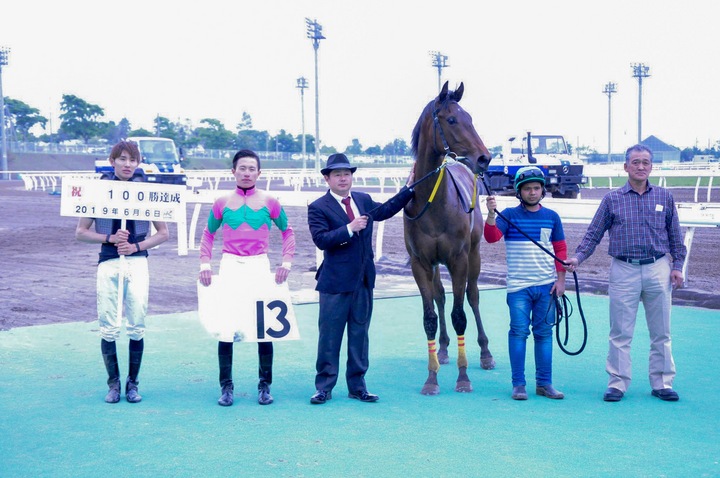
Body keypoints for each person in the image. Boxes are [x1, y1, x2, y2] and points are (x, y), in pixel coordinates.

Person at [565, 144, 686, 402]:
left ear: (651, 167)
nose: (641, 167)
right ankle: (617, 383)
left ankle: (662, 382)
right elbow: (593, 234)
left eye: (645, 162)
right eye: (636, 162)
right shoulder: (612, 199)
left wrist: (677, 266)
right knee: (620, 332)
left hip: (658, 268)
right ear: (626, 167)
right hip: (623, 269)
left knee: (662, 332)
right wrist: (577, 258)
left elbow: (676, 235)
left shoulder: (664, 197)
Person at [307, 153, 414, 404]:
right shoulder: (318, 207)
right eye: (337, 174)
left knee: (359, 335)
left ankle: (357, 386)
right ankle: (324, 387)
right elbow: (321, 240)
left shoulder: (363, 199)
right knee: (330, 337)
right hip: (335, 283)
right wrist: (349, 228)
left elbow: (386, 210)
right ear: (327, 179)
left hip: (363, 281)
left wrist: (408, 188)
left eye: (347, 174)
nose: (343, 178)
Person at [199, 149, 295, 407]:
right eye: (242, 168)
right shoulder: (221, 202)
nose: (246, 173)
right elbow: (208, 234)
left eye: (252, 169)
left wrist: (286, 262)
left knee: (264, 329)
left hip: (259, 266)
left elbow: (287, 231)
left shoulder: (270, 201)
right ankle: (226, 387)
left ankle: (264, 386)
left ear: (259, 173)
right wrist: (205, 264)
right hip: (230, 265)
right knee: (226, 327)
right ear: (233, 171)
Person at [76, 140, 170, 404]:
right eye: (122, 159)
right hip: (109, 262)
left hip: (137, 263)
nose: (128, 164)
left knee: (137, 323)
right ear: (113, 161)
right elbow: (81, 232)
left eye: (132, 160)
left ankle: (133, 383)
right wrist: (110, 238)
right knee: (108, 325)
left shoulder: (146, 193)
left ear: (138, 163)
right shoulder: (98, 192)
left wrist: (135, 246)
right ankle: (113, 384)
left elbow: (163, 233)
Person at [484, 166, 568, 401]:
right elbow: (491, 237)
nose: (532, 192)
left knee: (544, 334)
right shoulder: (509, 215)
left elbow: (560, 250)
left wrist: (561, 281)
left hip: (546, 286)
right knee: (519, 333)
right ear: (519, 192)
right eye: (527, 189)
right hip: (518, 288)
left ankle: (544, 384)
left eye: (536, 188)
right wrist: (490, 214)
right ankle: (518, 385)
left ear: (542, 190)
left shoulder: (552, 217)